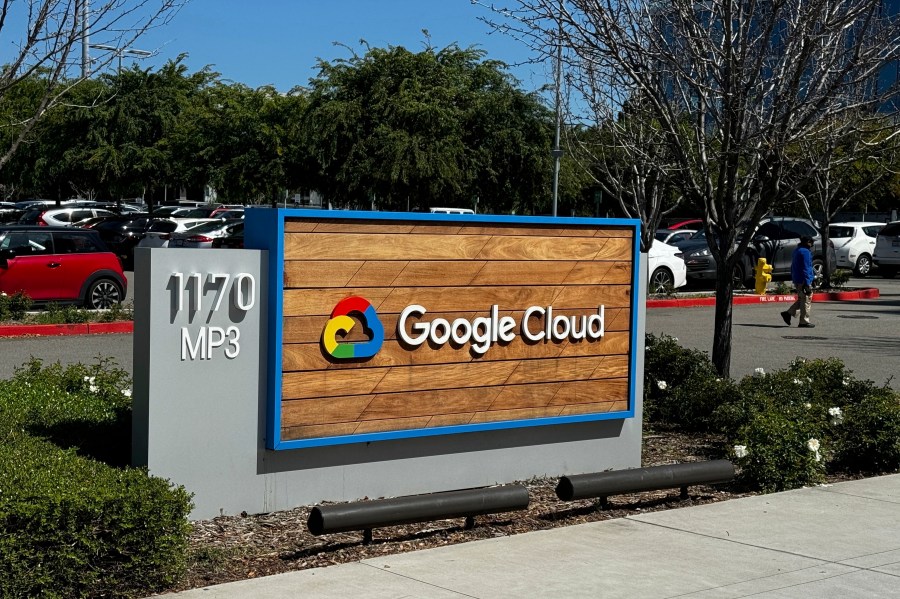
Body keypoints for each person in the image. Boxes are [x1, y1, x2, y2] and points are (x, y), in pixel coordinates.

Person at [781, 236, 815, 328]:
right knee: (806, 299)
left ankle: (788, 313)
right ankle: (804, 321)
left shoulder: (797, 250)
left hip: (797, 278)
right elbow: (806, 268)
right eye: (811, 242)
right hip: (803, 280)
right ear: (807, 242)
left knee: (802, 299)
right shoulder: (805, 252)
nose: (812, 244)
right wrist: (807, 282)